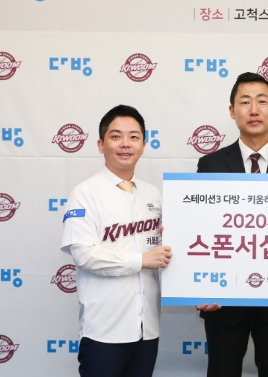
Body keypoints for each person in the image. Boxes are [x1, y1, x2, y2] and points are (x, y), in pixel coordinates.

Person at [195, 72, 268, 377]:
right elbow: (201, 229)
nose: (254, 109)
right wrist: (198, 287)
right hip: (224, 302)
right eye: (245, 102)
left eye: (262, 101)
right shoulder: (210, 165)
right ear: (232, 111)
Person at [60, 105, 173, 377]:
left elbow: (168, 251)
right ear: (101, 144)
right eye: (116, 136)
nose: (125, 144)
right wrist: (141, 260)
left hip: (147, 329)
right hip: (104, 331)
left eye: (134, 137)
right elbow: (85, 255)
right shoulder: (85, 193)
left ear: (143, 145)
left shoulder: (153, 194)